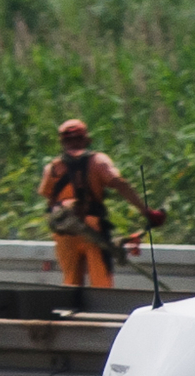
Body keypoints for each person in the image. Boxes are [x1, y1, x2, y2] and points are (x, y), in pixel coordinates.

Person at [39, 119, 163, 288]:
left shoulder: (53, 168)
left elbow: (48, 198)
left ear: (61, 142)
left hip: (65, 232)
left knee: (71, 285)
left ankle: (71, 313)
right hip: (94, 227)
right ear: (86, 139)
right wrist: (146, 211)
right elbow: (119, 183)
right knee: (102, 285)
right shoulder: (98, 161)